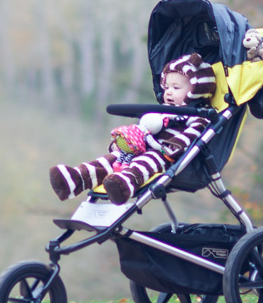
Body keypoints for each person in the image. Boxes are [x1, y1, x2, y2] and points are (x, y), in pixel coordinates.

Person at [49, 54, 214, 205]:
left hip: (162, 154)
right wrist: (127, 140)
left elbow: (191, 136)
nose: (169, 92)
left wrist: (172, 147)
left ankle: (123, 184)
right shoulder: (163, 111)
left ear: (196, 91)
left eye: (176, 88)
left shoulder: (198, 117)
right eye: (167, 87)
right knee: (114, 157)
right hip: (140, 147)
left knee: (144, 163)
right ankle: (76, 178)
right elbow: (144, 128)